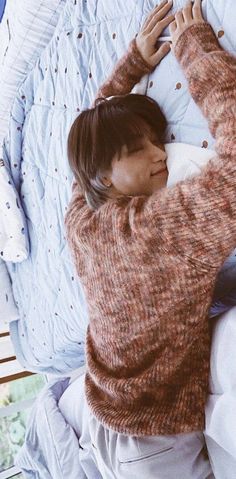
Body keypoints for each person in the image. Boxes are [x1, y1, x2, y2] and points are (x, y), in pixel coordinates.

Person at [64, 0, 236, 477]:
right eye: (138, 150)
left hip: (104, 405)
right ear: (103, 177)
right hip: (155, 438)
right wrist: (197, 52)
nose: (160, 155)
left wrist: (132, 65)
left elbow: (84, 156)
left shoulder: (82, 218)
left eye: (155, 141)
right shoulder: (157, 230)